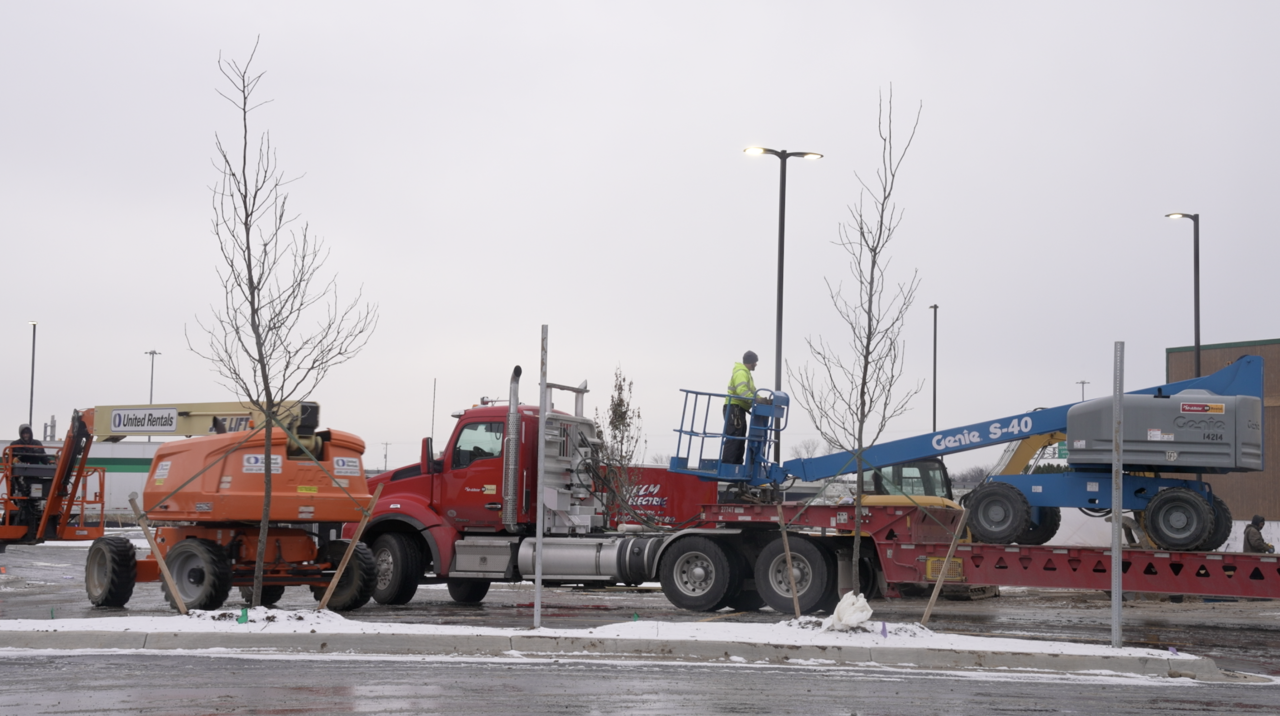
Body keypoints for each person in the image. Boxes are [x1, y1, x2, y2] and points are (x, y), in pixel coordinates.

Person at [721, 351, 757, 465]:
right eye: (755, 362)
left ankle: (737, 465)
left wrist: (762, 399)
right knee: (734, 437)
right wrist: (755, 400)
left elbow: (753, 392)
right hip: (734, 408)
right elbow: (742, 391)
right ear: (751, 362)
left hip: (738, 409)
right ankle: (728, 465)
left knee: (740, 438)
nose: (756, 364)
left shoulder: (746, 374)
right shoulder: (741, 373)